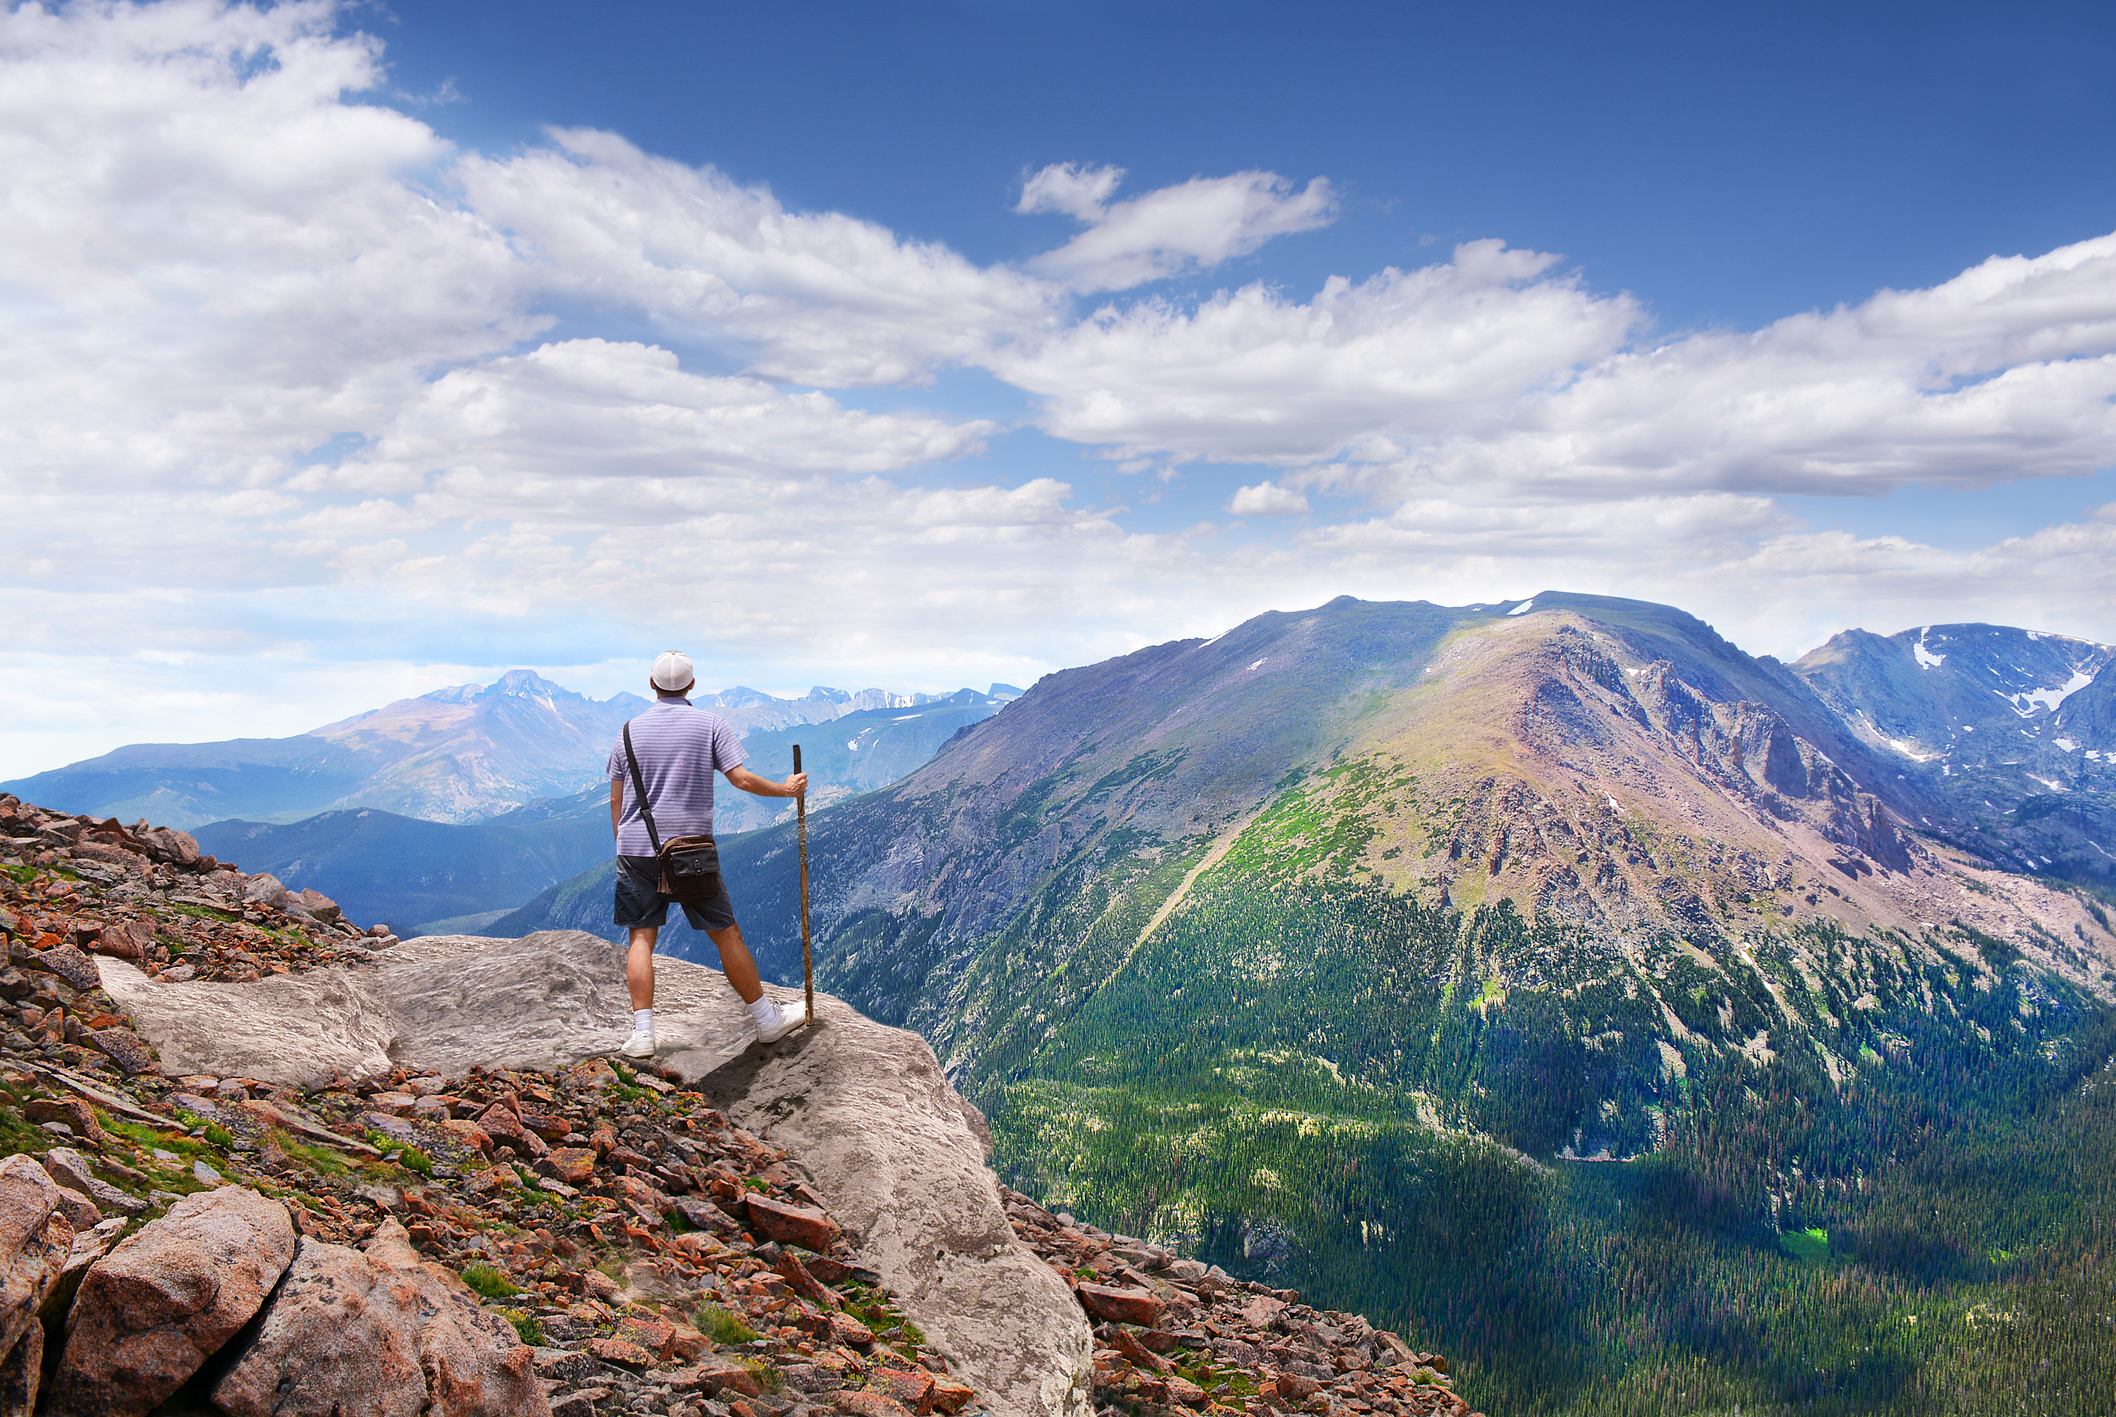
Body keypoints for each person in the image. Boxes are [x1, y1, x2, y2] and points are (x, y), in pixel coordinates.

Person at [608, 650, 810, 1058]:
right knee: (725, 934)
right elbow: (741, 779)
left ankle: (644, 1034)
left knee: (641, 939)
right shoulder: (711, 724)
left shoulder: (628, 731)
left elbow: (617, 798)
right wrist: (786, 790)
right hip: (690, 851)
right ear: (691, 685)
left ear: (651, 685)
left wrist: (625, 846)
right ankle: (767, 1021)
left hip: (636, 850)